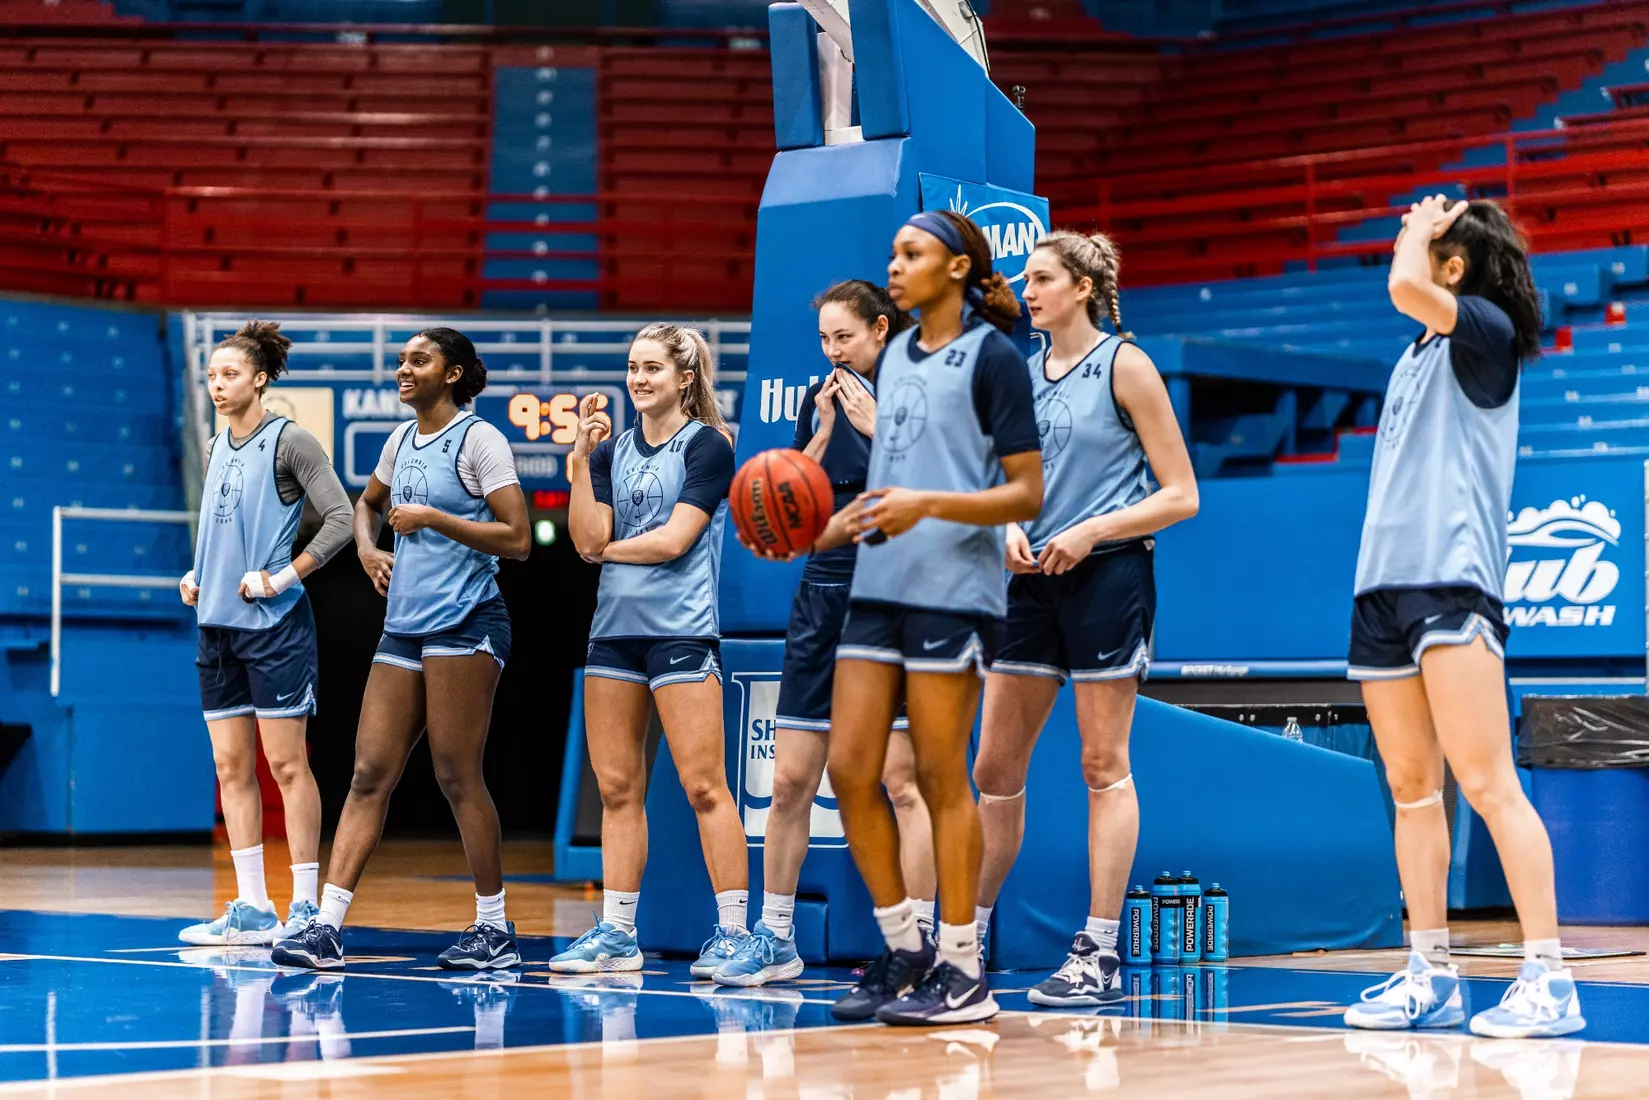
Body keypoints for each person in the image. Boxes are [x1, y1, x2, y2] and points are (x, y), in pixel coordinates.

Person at [1342, 196, 1583, 1039]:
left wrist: (1415, 228)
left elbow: (1406, 285)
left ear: (1453, 264)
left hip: (1452, 584)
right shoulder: (1414, 353)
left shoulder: (1479, 331)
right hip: (1382, 589)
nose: (1410, 244)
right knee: (1412, 793)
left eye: (1429, 242)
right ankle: (1428, 973)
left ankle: (1549, 978)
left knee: (1486, 783)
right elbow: (1409, 298)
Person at [824, 210, 1044, 1026]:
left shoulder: (993, 358)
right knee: (850, 770)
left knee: (943, 777)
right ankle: (905, 947)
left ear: (955, 269)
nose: (894, 265)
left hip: (956, 590)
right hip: (879, 583)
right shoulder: (896, 361)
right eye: (891, 253)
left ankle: (962, 967)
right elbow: (895, 477)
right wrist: (849, 521)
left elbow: (1027, 492)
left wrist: (930, 504)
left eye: (911, 254)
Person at [970, 232, 1198, 1008]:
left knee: (1102, 764)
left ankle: (1097, 951)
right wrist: (1004, 527)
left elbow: (1180, 494)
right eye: (1024, 278)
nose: (1024, 290)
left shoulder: (1125, 366)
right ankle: (960, 947)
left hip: (1106, 576)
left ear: (1082, 288)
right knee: (993, 771)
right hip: (1028, 584)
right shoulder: (1021, 375)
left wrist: (1092, 529)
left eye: (1039, 279)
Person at [271, 328, 530, 971]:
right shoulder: (400, 439)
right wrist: (366, 548)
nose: (403, 368)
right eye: (402, 359)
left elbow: (518, 538)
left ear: (455, 373)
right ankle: (326, 927)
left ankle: (495, 930)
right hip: (405, 625)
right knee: (367, 774)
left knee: (454, 773)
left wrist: (435, 519)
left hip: (467, 622)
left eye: (420, 359)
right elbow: (368, 506)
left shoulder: (480, 440)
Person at [714, 282, 938, 988]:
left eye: (843, 337)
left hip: (895, 589)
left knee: (901, 783)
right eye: (823, 340)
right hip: (821, 591)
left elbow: (947, 496)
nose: (831, 351)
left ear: (880, 328)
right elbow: (788, 500)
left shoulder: (922, 390)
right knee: (787, 782)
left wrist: (878, 429)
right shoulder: (823, 395)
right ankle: (775, 937)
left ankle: (920, 944)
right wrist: (813, 436)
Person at [556, 322, 751, 978]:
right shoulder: (612, 452)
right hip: (613, 633)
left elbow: (673, 541)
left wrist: (604, 551)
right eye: (633, 367)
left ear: (684, 378)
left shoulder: (709, 447)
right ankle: (615, 933)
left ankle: (732, 934)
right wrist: (580, 464)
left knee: (703, 786)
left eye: (653, 369)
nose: (638, 379)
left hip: (681, 632)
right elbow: (585, 535)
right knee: (616, 789)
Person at [179, 321, 352, 948]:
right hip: (217, 627)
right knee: (231, 765)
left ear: (259, 379)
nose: (217, 385)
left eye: (228, 375)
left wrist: (283, 577)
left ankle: (304, 904)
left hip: (275, 628)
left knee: (285, 763)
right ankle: (253, 907)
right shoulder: (216, 443)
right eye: (211, 377)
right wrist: (199, 572)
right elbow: (220, 525)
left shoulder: (291, 441)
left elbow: (339, 518)